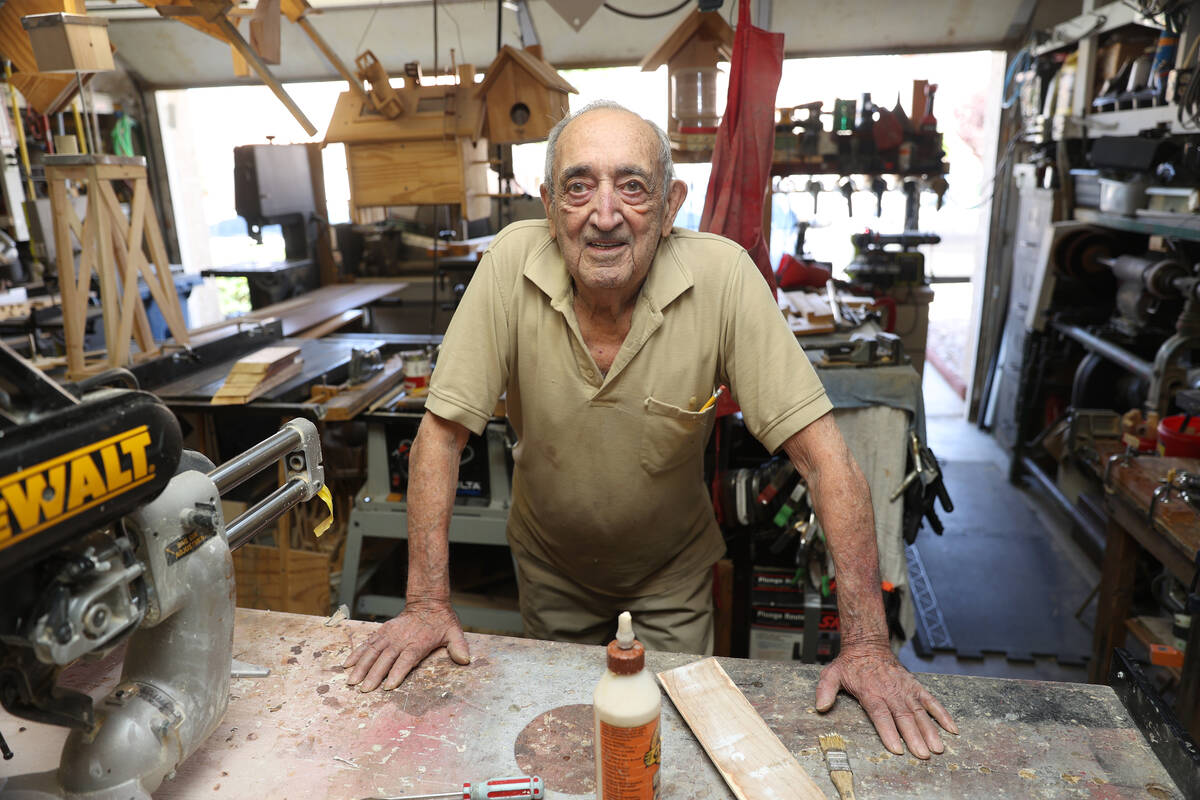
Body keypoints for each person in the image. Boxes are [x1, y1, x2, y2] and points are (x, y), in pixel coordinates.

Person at [345, 101, 957, 759]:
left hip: (673, 577)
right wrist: (425, 603)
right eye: (580, 186)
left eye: (632, 187)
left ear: (670, 207)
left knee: (668, 750)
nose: (604, 216)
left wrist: (866, 644)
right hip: (552, 570)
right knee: (563, 745)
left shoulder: (721, 278)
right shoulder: (506, 267)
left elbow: (826, 461)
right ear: (549, 205)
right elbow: (441, 437)